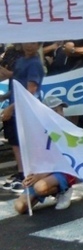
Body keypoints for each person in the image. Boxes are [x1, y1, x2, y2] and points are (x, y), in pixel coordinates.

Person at [13, 95, 76, 213]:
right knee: (20, 207)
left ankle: (64, 190)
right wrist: (29, 175)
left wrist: (40, 176)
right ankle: (42, 192)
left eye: (60, 109)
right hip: (42, 172)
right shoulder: (37, 132)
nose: (60, 113)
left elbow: (64, 160)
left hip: (62, 171)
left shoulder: (65, 131)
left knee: (39, 187)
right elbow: (34, 158)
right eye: (55, 110)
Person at [0, 42, 45, 193]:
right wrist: (5, 97)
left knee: (24, 142)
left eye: (34, 43)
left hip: (25, 109)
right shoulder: (20, 61)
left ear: (38, 45)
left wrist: (10, 108)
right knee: (14, 141)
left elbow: (30, 92)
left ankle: (27, 174)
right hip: (14, 106)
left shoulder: (34, 64)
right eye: (27, 41)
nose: (29, 45)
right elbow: (16, 85)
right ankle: (21, 172)